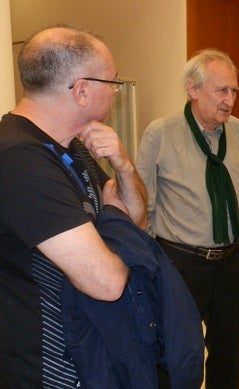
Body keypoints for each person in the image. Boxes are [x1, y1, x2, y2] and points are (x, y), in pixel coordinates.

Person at [0, 26, 148, 386]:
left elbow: (138, 220)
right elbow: (107, 281)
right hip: (49, 368)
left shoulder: (70, 144)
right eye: (112, 83)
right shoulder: (20, 158)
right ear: (82, 90)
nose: (115, 93)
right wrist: (112, 218)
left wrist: (125, 167)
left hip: (88, 349)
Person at [135, 48, 239, 388]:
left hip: (233, 263)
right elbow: (143, 206)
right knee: (178, 354)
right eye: (222, 90)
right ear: (193, 89)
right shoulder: (161, 133)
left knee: (229, 353)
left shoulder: (237, 131)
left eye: (234, 91)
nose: (230, 100)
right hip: (181, 264)